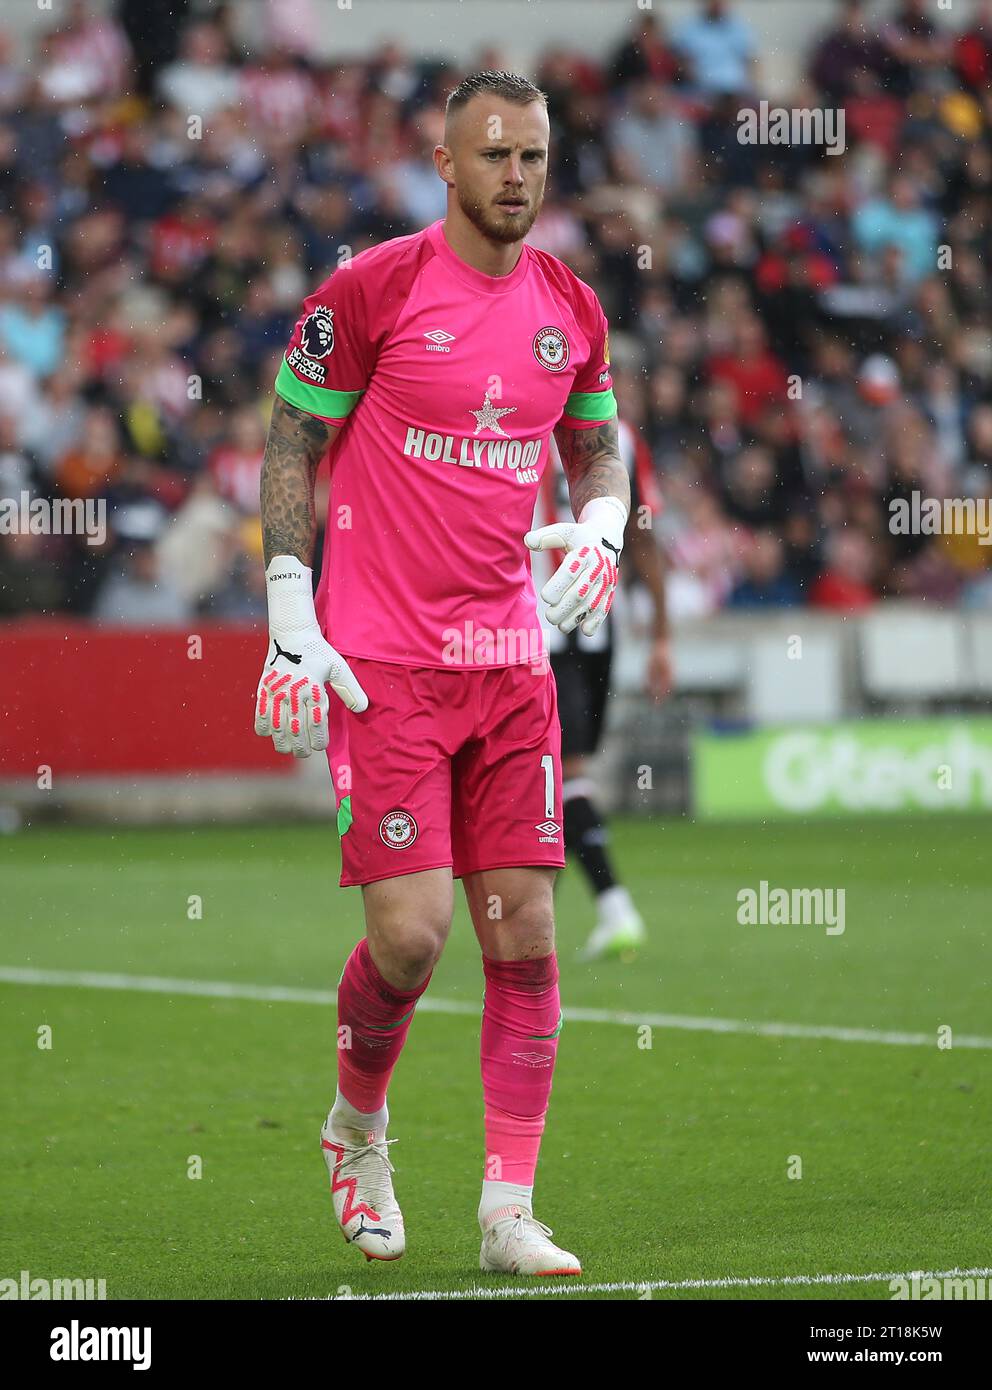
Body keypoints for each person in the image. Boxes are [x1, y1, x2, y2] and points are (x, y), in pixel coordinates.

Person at [253, 71, 629, 1277]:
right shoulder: (374, 287)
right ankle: (356, 1126)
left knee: (522, 938)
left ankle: (506, 1207)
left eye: (531, 156)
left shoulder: (568, 306)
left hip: (509, 663)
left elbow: (594, 441)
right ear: (444, 163)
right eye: (493, 154)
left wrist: (605, 523)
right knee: (413, 939)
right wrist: (283, 602)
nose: (514, 174)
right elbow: (291, 433)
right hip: (389, 666)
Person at [531, 404, 670, 960]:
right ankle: (539, 924)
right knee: (560, 774)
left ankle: (614, 909)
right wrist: (662, 635)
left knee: (561, 773)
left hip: (537, 625)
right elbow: (642, 538)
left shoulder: (512, 421)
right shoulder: (622, 435)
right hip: (596, 622)